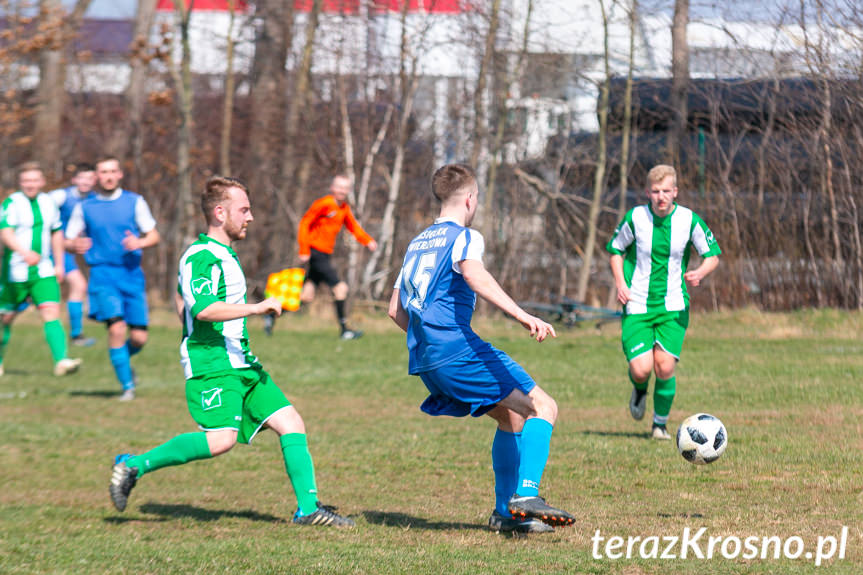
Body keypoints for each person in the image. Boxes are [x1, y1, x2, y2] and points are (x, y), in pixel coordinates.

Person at [109, 175, 354, 528]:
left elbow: (184, 300)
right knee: (220, 441)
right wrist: (257, 308)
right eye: (245, 209)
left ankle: (308, 509)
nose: (250, 217)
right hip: (213, 363)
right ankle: (134, 465)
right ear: (221, 213)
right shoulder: (201, 256)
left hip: (242, 362)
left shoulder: (223, 255)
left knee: (290, 422)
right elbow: (204, 309)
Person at [387, 164, 574, 534]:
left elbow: (395, 309)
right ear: (470, 199)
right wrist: (522, 315)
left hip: (426, 359)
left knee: (511, 417)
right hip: (457, 349)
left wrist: (428, 341)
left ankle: (505, 514)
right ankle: (525, 496)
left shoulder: (416, 244)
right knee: (543, 406)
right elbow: (474, 274)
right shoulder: (466, 236)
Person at [606, 164, 721, 440]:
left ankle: (659, 426)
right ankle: (640, 388)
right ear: (648, 192)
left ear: (675, 192)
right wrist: (621, 284)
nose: (661, 196)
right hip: (637, 304)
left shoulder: (689, 220)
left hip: (674, 305)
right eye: (656, 191)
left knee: (665, 366)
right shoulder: (635, 218)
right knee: (641, 368)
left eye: (666, 191)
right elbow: (615, 251)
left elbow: (713, 255)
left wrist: (700, 272)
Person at [65, 156, 160, 401]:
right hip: (102, 275)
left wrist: (139, 241)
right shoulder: (85, 207)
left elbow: (153, 235)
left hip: (131, 274)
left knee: (139, 337)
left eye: (112, 171)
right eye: (103, 171)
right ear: (97, 176)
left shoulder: (134, 202)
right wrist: (74, 244)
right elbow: (66, 240)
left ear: (119, 174)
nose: (108, 176)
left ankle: (123, 361)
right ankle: (128, 386)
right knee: (117, 328)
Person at [0, 162, 82, 377]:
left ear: (42, 182)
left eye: (35, 180)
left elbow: (56, 233)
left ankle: (61, 361)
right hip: (14, 272)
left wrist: (60, 264)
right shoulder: (12, 203)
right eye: (26, 180)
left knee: (51, 312)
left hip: (43, 271)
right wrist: (24, 252)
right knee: (5, 318)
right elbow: (5, 233)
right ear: (20, 182)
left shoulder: (48, 203)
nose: (31, 184)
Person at [282, 174, 377, 340]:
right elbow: (305, 223)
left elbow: (353, 226)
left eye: (345, 188)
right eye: (339, 187)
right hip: (316, 253)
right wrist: (303, 249)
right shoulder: (324, 204)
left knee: (306, 296)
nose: (342, 191)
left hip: (325, 254)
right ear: (332, 188)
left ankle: (271, 312)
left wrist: (367, 241)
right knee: (341, 288)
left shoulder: (344, 208)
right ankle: (344, 330)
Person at [49, 163, 97, 347]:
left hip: (66, 250)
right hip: (49, 249)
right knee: (78, 285)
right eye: (82, 177)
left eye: (90, 178)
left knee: (79, 286)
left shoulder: (94, 199)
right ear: (74, 179)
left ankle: (77, 335)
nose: (86, 182)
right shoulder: (60, 196)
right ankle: (76, 335)